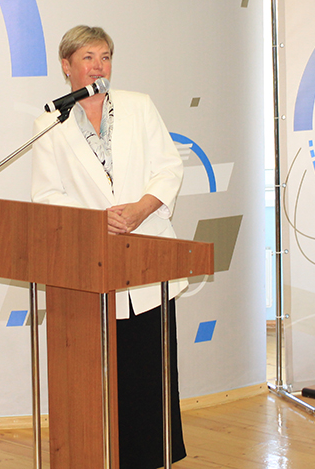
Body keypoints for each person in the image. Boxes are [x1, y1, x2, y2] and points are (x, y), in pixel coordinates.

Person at [31, 25, 187, 468]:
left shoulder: (139, 106)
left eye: (105, 57)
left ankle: (153, 459)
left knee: (151, 377)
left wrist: (140, 208)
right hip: (91, 270)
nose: (99, 66)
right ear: (66, 66)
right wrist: (99, 221)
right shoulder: (49, 124)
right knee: (100, 383)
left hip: (149, 260)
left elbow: (169, 168)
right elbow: (47, 196)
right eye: (88, 58)